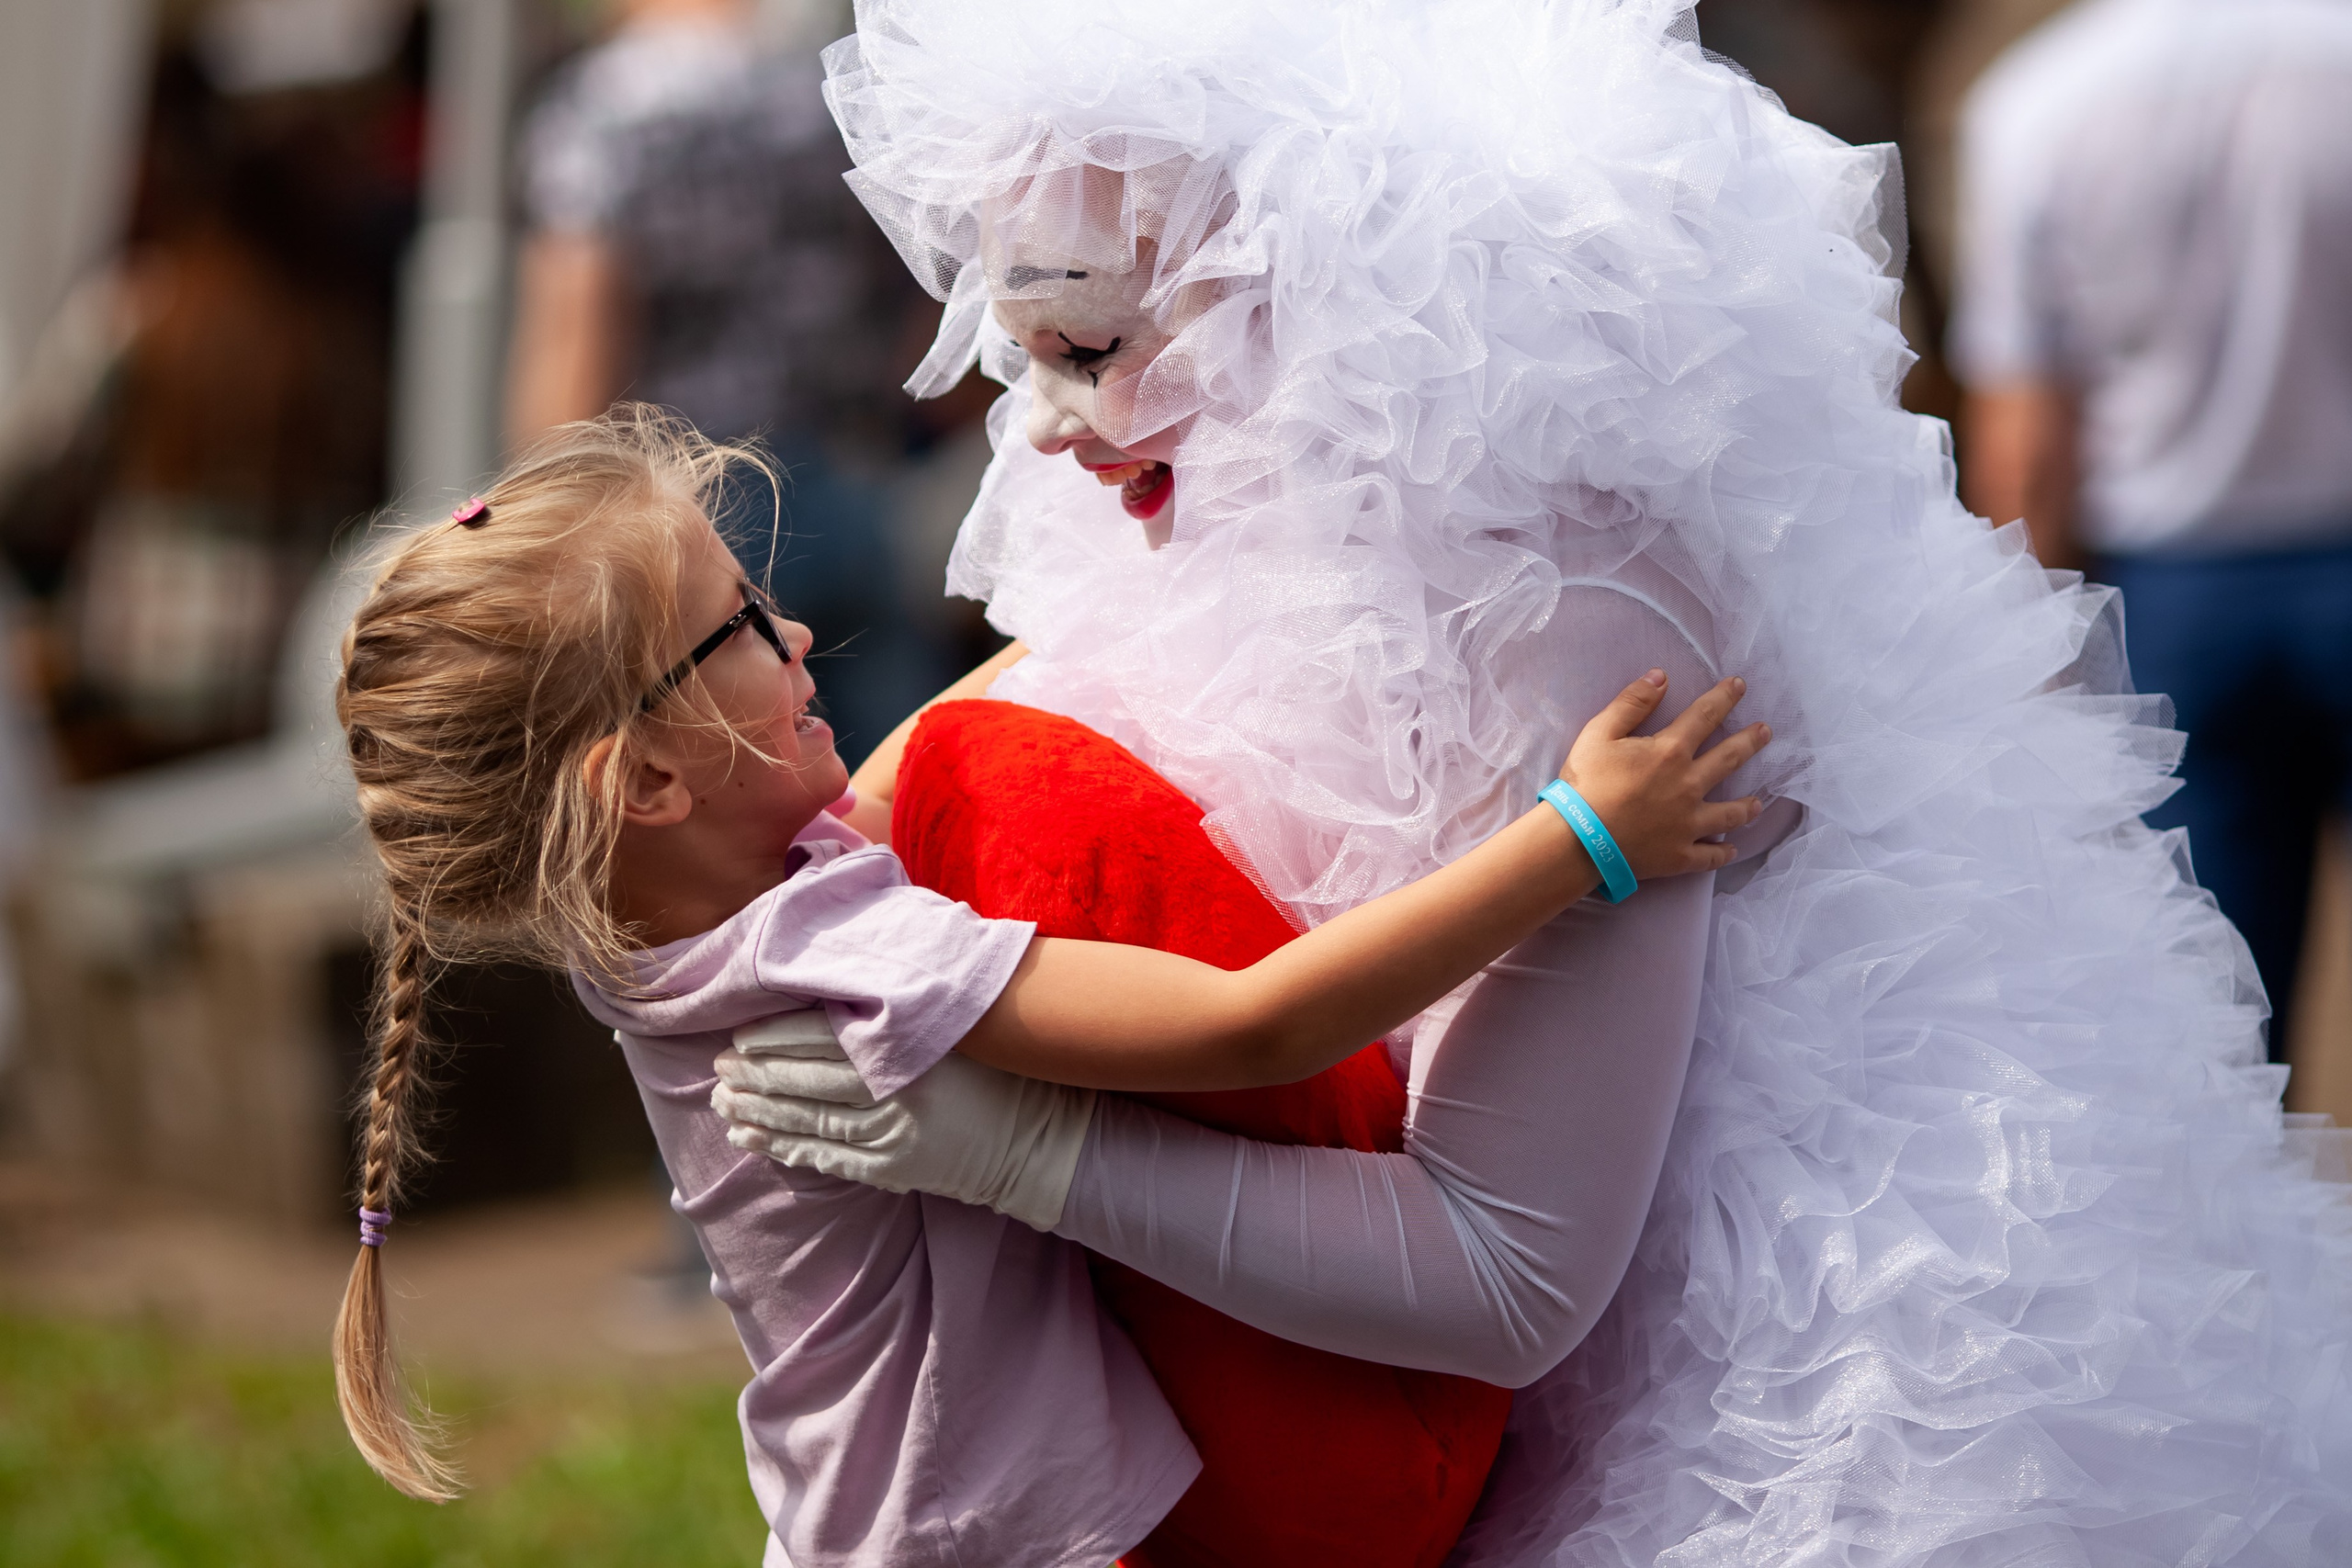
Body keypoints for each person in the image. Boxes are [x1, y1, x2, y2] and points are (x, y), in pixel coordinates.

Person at [703, 1, 2352, 1563]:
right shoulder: (1203, 501)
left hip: (1782, 1405)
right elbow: (935, 766)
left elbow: (1510, 1274)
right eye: (1028, 357)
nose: (1047, 432)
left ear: (1329, 289)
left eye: (1089, 346)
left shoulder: (1571, 618)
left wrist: (1016, 1150)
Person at [324, 407, 1768, 1547]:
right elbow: (1257, 1023)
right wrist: (1579, 840)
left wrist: (1181, 538)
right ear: (644, 781)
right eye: (744, 624)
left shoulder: (657, 933)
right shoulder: (847, 967)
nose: (798, 631)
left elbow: (922, 750)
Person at [1950, 0, 2352, 1061]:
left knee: (2215, 1017)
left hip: (2175, 596)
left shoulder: (2039, 99)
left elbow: (2026, 435)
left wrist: (2027, 672)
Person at [508, 0, 944, 762]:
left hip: (683, 513)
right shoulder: (814, 88)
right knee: (898, 771)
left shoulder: (601, 112)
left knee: (722, 785)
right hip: (840, 474)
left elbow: (577, 332)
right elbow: (923, 279)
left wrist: (548, 524)